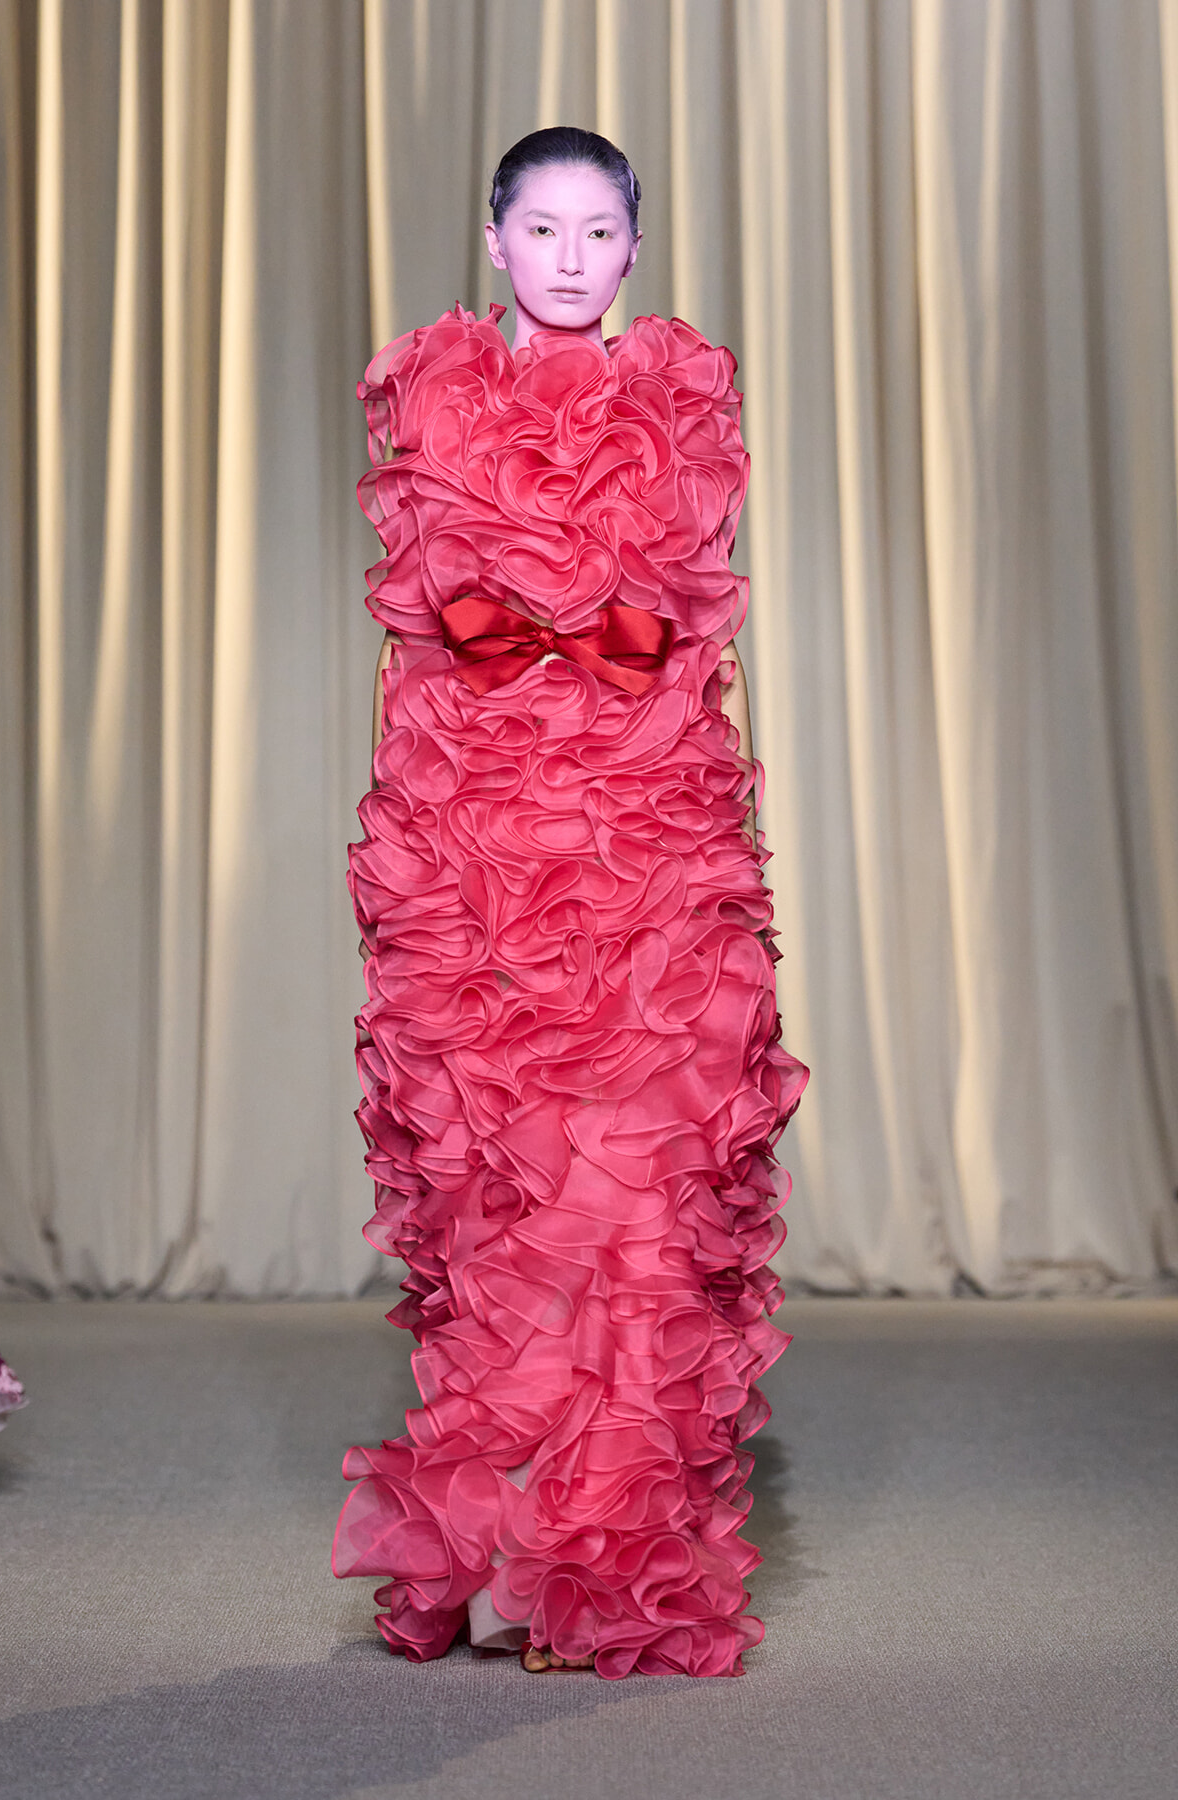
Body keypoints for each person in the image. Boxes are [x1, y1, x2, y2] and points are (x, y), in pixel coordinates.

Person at [332, 127, 807, 1680]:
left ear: (633, 251)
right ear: (493, 238)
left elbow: (670, 596)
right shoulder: (432, 385)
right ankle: (480, 1545)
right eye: (541, 227)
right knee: (490, 1196)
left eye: (599, 232)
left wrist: (585, 632)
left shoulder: (687, 390)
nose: (568, 256)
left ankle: (607, 1568)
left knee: (643, 1205)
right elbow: (436, 595)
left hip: (648, 831)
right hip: (474, 837)